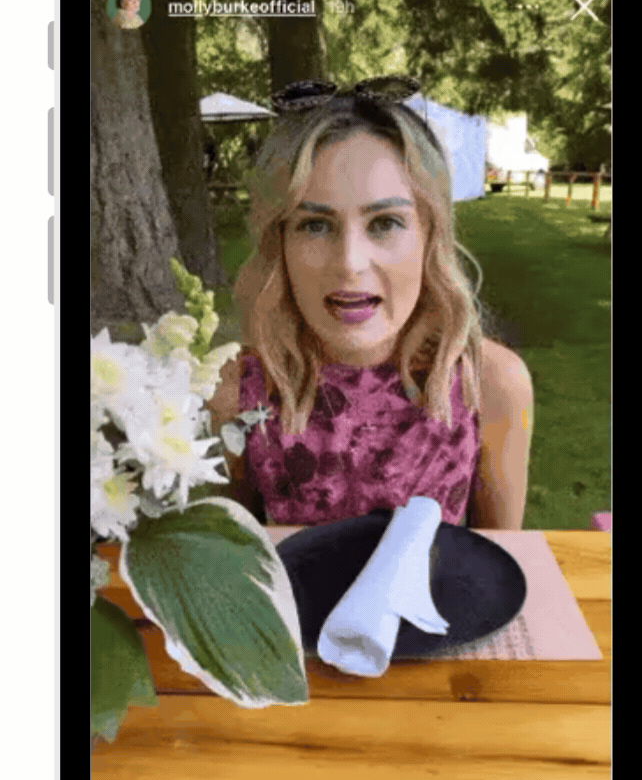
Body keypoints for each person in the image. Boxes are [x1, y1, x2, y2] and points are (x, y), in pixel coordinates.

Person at [207, 77, 533, 530]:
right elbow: (234, 563)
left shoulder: (490, 384)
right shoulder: (238, 393)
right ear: (279, 240)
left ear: (430, 236)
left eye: (385, 223)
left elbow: (501, 564)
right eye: (315, 225)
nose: (349, 263)